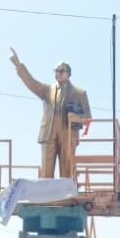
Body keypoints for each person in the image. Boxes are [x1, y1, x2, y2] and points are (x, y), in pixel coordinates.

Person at [10, 48, 92, 179]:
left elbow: (88, 117)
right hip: (49, 133)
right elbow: (32, 83)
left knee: (67, 172)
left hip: (68, 134)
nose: (58, 73)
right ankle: (46, 195)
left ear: (69, 74)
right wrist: (18, 66)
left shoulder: (79, 93)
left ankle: (66, 194)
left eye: (61, 71)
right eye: (56, 71)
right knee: (46, 172)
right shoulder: (47, 90)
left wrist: (76, 118)